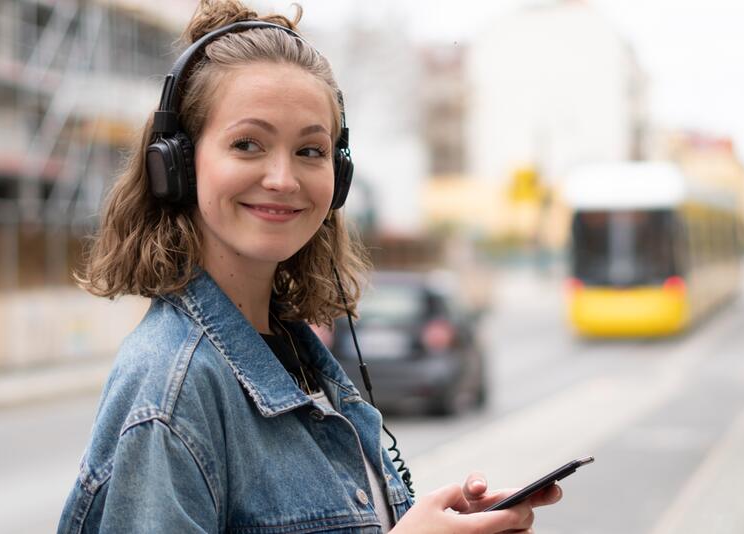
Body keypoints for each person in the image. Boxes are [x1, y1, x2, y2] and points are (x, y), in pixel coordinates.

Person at [58, 1, 562, 532]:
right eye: (247, 144)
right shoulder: (173, 385)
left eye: (310, 150)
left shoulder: (296, 353)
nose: (283, 178)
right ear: (178, 163)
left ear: (338, 178)